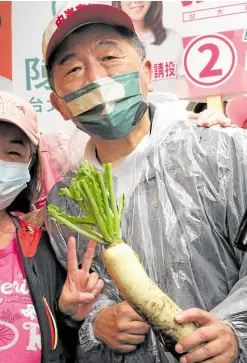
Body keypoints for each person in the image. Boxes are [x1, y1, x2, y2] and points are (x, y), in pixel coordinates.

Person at [43, 3, 247, 363]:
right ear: (60, 106)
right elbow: (82, 296)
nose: (96, 80)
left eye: (109, 56)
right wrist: (96, 322)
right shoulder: (65, 204)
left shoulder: (222, 150)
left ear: (147, 74)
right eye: (74, 69)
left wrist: (236, 331)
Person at [0, 91, 104, 362]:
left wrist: (69, 315)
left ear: (29, 165)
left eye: (13, 152)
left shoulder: (40, 245)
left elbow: (60, 341)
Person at [112, 1, 189, 96]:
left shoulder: (172, 37)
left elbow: (180, 81)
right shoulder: (110, 45)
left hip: (170, 108)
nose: (136, 1)